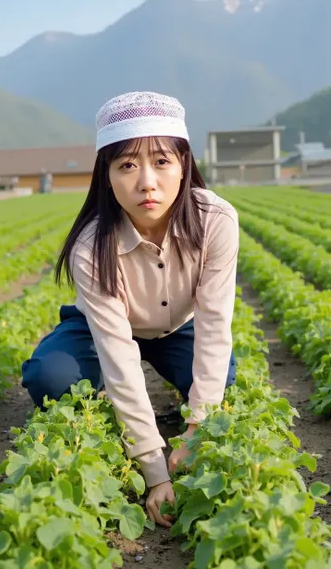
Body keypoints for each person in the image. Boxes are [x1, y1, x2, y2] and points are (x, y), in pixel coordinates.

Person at [21, 91, 239, 527]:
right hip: (104, 330)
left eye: (161, 162)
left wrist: (195, 431)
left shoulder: (215, 219)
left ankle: (169, 407)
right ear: (106, 176)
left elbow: (214, 325)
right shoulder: (91, 245)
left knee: (220, 378)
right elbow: (118, 354)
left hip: (178, 327)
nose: (146, 182)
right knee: (51, 379)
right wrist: (154, 469)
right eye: (127, 165)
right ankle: (115, 404)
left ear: (184, 166)